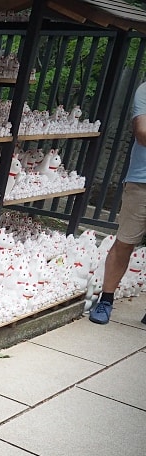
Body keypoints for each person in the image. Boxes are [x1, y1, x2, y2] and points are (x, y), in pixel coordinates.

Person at [89, 80, 146, 325]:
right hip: (141, 181)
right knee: (125, 242)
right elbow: (142, 132)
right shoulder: (145, 89)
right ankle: (106, 299)